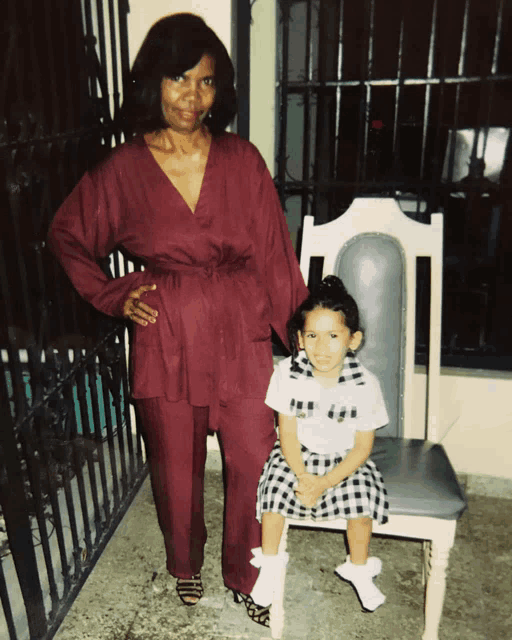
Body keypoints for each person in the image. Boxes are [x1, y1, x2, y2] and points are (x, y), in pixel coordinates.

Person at [48, 13, 308, 615]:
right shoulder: (121, 169)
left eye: (207, 82)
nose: (193, 96)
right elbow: (67, 235)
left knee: (253, 455)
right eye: (179, 79)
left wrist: (307, 348)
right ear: (152, 84)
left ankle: (247, 571)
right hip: (166, 331)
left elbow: (275, 256)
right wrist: (113, 294)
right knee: (176, 463)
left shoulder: (243, 160)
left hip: (242, 331)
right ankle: (184, 560)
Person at [248, 275, 389, 626]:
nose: (321, 347)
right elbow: (288, 435)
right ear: (298, 339)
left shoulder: (365, 384)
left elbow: (362, 448)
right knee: (273, 492)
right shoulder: (287, 375)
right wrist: (302, 475)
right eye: (312, 335)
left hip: (345, 460)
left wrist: (324, 482)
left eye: (333, 336)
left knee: (362, 498)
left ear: (353, 340)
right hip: (297, 454)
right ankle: (268, 564)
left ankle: (358, 568)